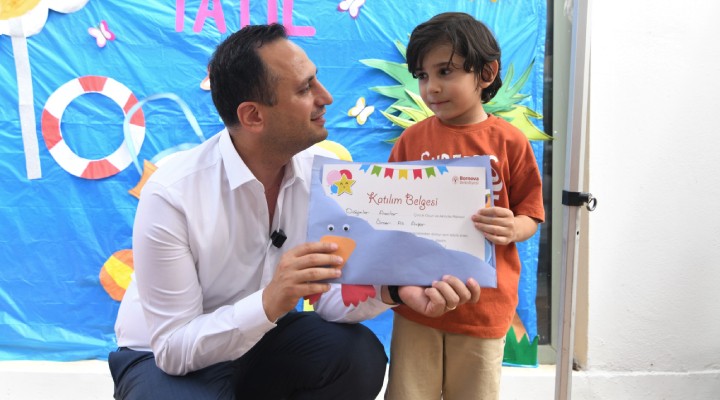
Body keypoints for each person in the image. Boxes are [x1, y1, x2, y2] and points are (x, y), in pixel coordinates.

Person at [109, 23, 480, 400]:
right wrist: (269, 301)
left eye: (316, 80)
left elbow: (331, 300)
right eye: (305, 89)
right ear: (253, 116)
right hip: (163, 356)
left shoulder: (326, 178)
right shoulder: (172, 194)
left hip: (262, 341)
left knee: (357, 357)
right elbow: (173, 349)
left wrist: (394, 289)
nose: (326, 97)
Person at [384, 12, 546, 400]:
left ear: (486, 73)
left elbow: (531, 214)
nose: (432, 87)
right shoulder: (410, 140)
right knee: (408, 393)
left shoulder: (510, 142)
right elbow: (389, 211)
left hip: (483, 307)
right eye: (422, 76)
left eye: (445, 71)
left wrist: (513, 227)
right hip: (418, 303)